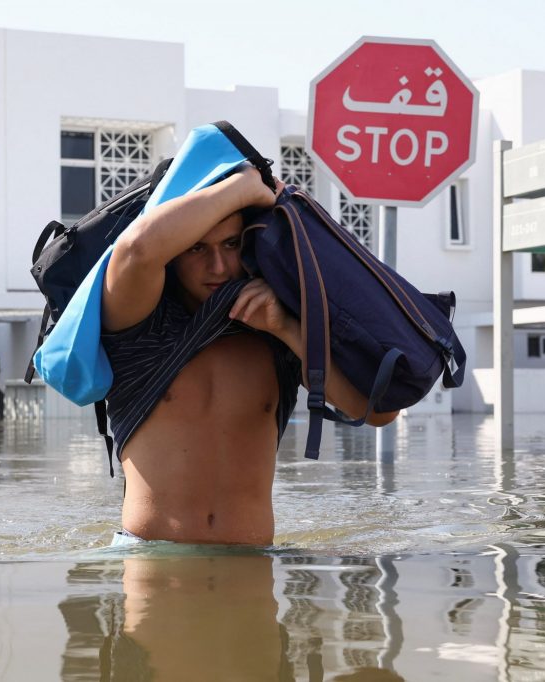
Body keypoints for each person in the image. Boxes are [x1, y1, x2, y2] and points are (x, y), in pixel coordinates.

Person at [101, 165, 397, 545]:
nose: (219, 267)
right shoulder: (138, 325)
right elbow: (138, 250)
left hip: (251, 566)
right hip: (152, 565)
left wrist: (286, 329)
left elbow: (379, 412)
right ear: (172, 252)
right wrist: (242, 188)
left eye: (231, 244)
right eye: (196, 247)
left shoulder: (278, 334)